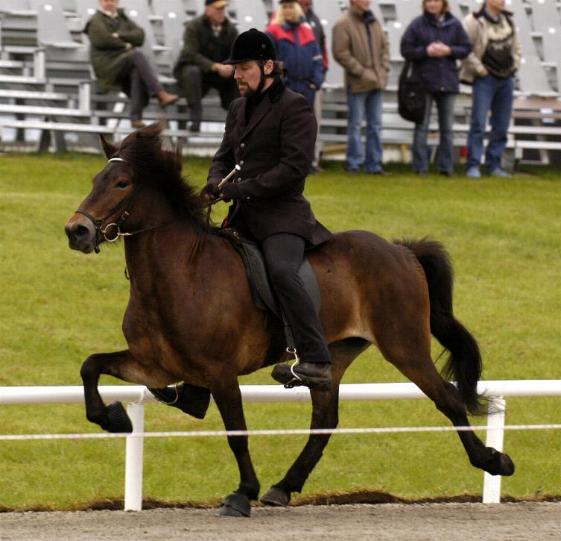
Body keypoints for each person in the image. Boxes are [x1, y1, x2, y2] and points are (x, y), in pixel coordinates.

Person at [202, 29, 333, 391]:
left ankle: (316, 358)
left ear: (268, 66)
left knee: (281, 270)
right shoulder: (238, 108)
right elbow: (223, 156)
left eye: (243, 68)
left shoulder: (295, 107)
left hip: (282, 216)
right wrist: (215, 183)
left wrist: (239, 189)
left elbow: (292, 171)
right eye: (235, 68)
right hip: (242, 217)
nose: (237, 75)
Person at [400, 0, 472, 176]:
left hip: (447, 82)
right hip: (423, 83)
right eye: (428, 1)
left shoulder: (454, 24)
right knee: (421, 126)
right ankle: (419, 167)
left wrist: (449, 51)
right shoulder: (417, 24)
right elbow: (405, 49)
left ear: (443, 4)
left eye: (435, 1)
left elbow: (466, 48)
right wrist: (426, 52)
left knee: (447, 127)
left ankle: (446, 167)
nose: (432, 4)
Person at [84, 0, 178, 128]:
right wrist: (126, 44)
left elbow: (140, 35)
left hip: (124, 62)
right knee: (137, 55)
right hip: (106, 65)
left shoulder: (122, 17)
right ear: (100, 2)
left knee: (136, 71)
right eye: (107, 0)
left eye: (113, 0)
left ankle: (135, 117)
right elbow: (103, 40)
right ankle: (159, 93)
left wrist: (119, 35)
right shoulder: (95, 20)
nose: (111, 3)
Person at [460, 0, 521, 178]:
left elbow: (517, 47)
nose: (502, 1)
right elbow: (464, 49)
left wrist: (514, 66)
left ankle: (494, 165)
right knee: (478, 123)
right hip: (484, 79)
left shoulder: (509, 21)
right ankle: (473, 165)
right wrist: (479, 69)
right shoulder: (472, 20)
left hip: (506, 78)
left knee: (501, 125)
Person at [332, 0, 390, 174]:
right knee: (355, 125)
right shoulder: (342, 24)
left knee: (375, 125)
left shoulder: (375, 21)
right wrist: (362, 72)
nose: (367, 1)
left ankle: (374, 165)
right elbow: (340, 53)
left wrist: (383, 68)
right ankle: (354, 164)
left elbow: (385, 47)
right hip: (357, 83)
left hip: (377, 82)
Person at [173, 0, 238, 133]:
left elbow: (236, 53)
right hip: (196, 72)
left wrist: (229, 66)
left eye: (222, 9)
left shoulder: (230, 29)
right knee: (192, 71)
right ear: (208, 10)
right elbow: (190, 54)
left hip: (219, 74)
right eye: (217, 9)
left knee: (237, 75)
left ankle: (237, 120)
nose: (221, 12)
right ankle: (195, 117)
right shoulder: (194, 26)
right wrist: (214, 66)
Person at [266, 0, 324, 107]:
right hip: (284, 89)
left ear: (297, 8)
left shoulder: (307, 30)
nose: (288, 10)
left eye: (291, 7)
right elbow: (268, 60)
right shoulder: (273, 31)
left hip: (306, 90)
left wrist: (315, 82)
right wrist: (281, 82)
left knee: (303, 122)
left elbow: (317, 59)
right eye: (285, 7)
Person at [298, 0, 329, 172]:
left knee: (312, 124)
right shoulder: (281, 22)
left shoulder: (315, 20)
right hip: (292, 83)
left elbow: (322, 50)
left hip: (312, 83)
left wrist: (319, 78)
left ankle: (310, 161)